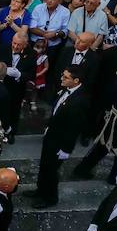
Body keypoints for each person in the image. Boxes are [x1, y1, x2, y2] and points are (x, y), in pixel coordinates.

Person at [28, 69, 91, 207]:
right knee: (44, 166)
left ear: (76, 81)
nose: (62, 78)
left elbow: (74, 128)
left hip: (60, 142)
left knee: (51, 171)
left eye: (66, 77)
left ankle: (50, 198)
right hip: (51, 135)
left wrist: (66, 149)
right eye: (63, 75)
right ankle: (40, 190)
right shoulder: (66, 89)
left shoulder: (80, 101)